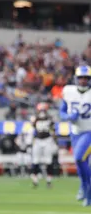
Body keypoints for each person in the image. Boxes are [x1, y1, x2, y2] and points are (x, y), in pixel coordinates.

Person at [60, 65, 91, 206]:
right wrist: (68, 116)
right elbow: (61, 112)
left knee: (79, 157)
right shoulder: (68, 91)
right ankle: (88, 193)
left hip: (89, 131)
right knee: (81, 163)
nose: (83, 80)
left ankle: (85, 187)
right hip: (75, 132)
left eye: (86, 78)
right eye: (81, 78)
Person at [29, 102, 56, 188]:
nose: (42, 111)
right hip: (38, 140)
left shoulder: (50, 118)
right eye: (41, 109)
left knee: (49, 161)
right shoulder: (35, 118)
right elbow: (32, 127)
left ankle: (49, 181)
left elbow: (53, 129)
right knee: (35, 160)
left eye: (44, 109)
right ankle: (35, 180)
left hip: (47, 140)